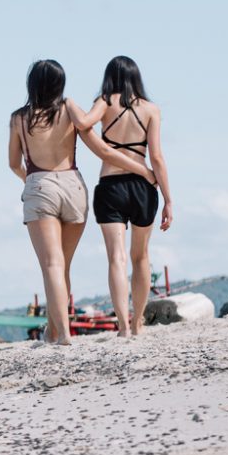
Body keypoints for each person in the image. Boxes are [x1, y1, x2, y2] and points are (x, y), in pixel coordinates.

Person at [80, 56, 172, 336]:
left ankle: (122, 325)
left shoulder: (104, 101)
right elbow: (156, 156)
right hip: (143, 188)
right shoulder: (151, 109)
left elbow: (85, 125)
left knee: (116, 258)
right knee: (141, 257)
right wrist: (169, 199)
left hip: (110, 186)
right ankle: (138, 321)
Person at [7, 60, 94, 344]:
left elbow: (13, 163)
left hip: (40, 182)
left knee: (52, 265)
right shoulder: (69, 109)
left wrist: (29, 182)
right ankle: (54, 330)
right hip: (73, 184)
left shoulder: (20, 118)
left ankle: (64, 334)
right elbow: (88, 126)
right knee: (62, 265)